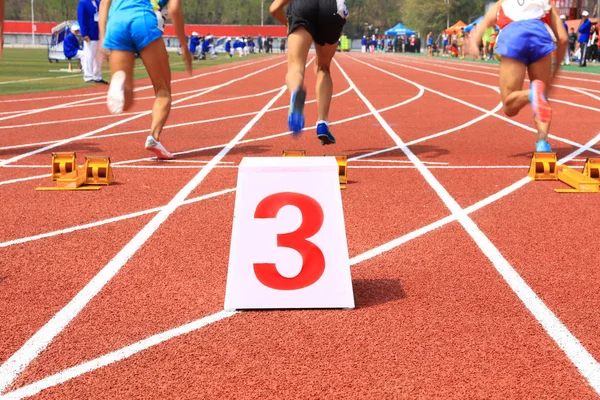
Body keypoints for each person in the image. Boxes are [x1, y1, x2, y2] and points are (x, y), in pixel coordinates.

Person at [469, 0, 568, 152]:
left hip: (513, 36)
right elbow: (563, 39)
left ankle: (530, 94)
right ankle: (542, 142)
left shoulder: (504, 1)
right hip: (540, 36)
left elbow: (487, 20)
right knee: (542, 96)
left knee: (509, 107)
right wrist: (556, 71)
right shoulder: (546, 2)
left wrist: (474, 42)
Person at [99, 0, 192, 160]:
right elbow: (175, 9)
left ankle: (119, 84)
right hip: (143, 20)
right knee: (163, 91)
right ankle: (153, 138)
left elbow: (103, 4)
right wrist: (184, 45)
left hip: (115, 23)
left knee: (125, 103)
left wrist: (102, 38)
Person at [269, 0, 348, 145]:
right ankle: (322, 122)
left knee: (295, 67)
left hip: (303, 6)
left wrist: (288, 23)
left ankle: (296, 93)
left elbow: (274, 9)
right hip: (333, 8)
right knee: (323, 67)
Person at [78, 0, 107, 84]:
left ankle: (97, 76)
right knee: (89, 56)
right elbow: (81, 19)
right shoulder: (83, 3)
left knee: (99, 57)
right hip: (90, 34)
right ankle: (88, 76)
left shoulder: (98, 2)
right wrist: (84, 33)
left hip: (98, 33)